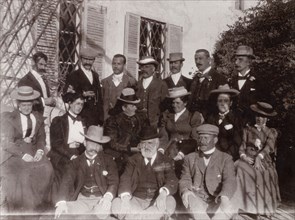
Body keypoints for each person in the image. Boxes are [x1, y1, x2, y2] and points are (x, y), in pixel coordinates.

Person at [1, 86, 54, 212]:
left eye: (29, 104)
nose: (26, 107)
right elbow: (7, 143)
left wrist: (40, 151)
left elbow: (41, 139)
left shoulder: (38, 117)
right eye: (23, 105)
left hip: (34, 150)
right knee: (25, 173)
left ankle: (41, 206)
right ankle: (25, 209)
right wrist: (23, 155)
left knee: (48, 169)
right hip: (15, 153)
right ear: (18, 104)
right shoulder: (10, 119)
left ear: (33, 104)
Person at [112, 126, 178, 220]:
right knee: (117, 203)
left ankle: (135, 217)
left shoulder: (165, 160)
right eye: (143, 143)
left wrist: (163, 194)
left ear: (157, 143)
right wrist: (126, 199)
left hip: (157, 200)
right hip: (135, 201)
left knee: (170, 201)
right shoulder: (133, 160)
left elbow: (172, 179)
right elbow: (125, 178)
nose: (146, 146)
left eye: (150, 143)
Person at [54, 125, 119, 219]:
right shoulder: (75, 162)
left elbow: (114, 181)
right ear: (84, 143)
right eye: (91, 143)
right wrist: (61, 202)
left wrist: (108, 197)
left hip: (101, 200)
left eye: (97, 144)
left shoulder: (108, 161)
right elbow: (66, 182)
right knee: (62, 214)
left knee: (98, 214)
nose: (94, 147)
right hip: (82, 201)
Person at [179, 124, 237, 220]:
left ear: (215, 140)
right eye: (200, 138)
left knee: (226, 206)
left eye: (206, 138)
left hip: (217, 200)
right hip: (197, 200)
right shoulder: (189, 158)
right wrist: (186, 191)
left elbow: (230, 180)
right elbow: (185, 178)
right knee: (191, 199)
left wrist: (224, 197)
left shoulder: (226, 158)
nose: (202, 142)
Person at [233, 102, 281, 217]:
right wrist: (243, 157)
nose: (260, 119)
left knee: (260, 172)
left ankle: (259, 207)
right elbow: (242, 146)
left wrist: (259, 157)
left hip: (263, 159)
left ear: (267, 119)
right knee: (238, 167)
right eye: (258, 116)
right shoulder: (248, 129)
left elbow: (269, 147)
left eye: (263, 117)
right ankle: (241, 205)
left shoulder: (271, 132)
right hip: (248, 158)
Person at [48, 92, 86, 194]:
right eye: (77, 103)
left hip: (78, 152)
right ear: (70, 103)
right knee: (70, 168)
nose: (80, 107)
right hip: (62, 153)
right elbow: (56, 144)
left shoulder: (82, 121)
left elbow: (84, 143)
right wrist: (70, 155)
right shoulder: (59, 121)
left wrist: (81, 148)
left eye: (82, 104)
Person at [104, 88, 148, 175]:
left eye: (136, 105)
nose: (135, 108)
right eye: (132, 106)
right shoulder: (113, 120)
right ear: (124, 107)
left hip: (135, 154)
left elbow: (144, 135)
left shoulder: (139, 118)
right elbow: (112, 143)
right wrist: (131, 149)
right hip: (118, 156)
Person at [159, 86, 203, 161]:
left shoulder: (192, 116)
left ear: (185, 103)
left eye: (178, 103)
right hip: (169, 149)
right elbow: (164, 136)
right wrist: (161, 149)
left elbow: (195, 139)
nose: (174, 105)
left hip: (187, 151)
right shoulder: (167, 115)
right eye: (173, 103)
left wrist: (183, 152)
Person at [63, 47, 103, 127]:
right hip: (80, 115)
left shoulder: (95, 76)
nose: (88, 62)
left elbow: (99, 98)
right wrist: (83, 94)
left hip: (94, 117)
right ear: (81, 59)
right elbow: (66, 96)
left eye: (90, 60)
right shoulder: (73, 75)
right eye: (85, 59)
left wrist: (100, 117)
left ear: (94, 60)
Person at [206, 84, 242, 160]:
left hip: (229, 156)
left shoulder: (236, 119)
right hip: (211, 154)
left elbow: (237, 141)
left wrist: (227, 156)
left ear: (231, 103)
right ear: (216, 103)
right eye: (220, 101)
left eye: (226, 101)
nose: (222, 104)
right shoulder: (211, 118)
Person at [189, 49, 227, 119]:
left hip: (211, 119)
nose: (197, 62)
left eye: (200, 59)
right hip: (194, 120)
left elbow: (222, 103)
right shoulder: (195, 79)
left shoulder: (219, 78)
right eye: (196, 59)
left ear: (208, 59)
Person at [101, 54, 137, 121]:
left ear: (124, 65)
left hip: (124, 119)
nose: (116, 66)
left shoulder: (131, 81)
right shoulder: (104, 82)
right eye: (114, 63)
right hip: (108, 119)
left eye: (119, 64)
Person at [136, 56, 168, 128]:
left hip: (155, 123)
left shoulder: (161, 84)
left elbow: (166, 107)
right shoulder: (137, 85)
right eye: (142, 67)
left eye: (146, 67)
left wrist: (162, 125)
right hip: (138, 123)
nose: (143, 69)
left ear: (153, 69)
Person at [230, 45, 257, 124]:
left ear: (249, 62)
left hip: (251, 124)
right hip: (233, 123)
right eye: (235, 59)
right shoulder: (231, 81)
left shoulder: (259, 81)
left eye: (240, 60)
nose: (236, 62)